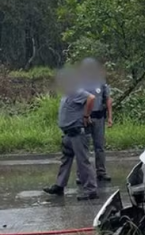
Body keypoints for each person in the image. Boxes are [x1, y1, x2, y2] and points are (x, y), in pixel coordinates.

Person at [43, 68, 98, 201]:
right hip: (68, 133)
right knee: (65, 160)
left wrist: (86, 115)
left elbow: (91, 98)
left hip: (77, 132)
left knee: (83, 162)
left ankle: (91, 190)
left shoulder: (76, 91)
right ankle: (59, 185)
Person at [78, 58, 113, 182]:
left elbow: (108, 99)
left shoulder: (101, 82)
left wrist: (110, 117)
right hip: (84, 118)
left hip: (99, 117)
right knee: (83, 147)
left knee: (100, 146)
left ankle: (101, 172)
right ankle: (82, 174)